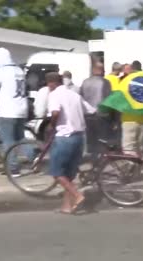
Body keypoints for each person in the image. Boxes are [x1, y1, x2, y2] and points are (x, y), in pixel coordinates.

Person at [46, 72, 96, 214]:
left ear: (51, 83)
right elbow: (91, 110)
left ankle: (78, 195)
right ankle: (66, 207)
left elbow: (55, 113)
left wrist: (51, 126)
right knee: (69, 175)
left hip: (64, 138)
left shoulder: (54, 95)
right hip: (79, 138)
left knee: (57, 173)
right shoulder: (75, 95)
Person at [0, 47, 29, 176]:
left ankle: (13, 168)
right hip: (21, 109)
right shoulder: (19, 70)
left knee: (7, 139)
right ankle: (34, 159)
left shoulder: (2, 71)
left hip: (7, 110)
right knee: (21, 138)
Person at [79, 62, 113, 161]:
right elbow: (109, 99)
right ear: (101, 70)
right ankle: (101, 157)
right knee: (102, 137)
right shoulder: (105, 82)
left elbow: (81, 97)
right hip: (101, 114)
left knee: (91, 137)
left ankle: (93, 157)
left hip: (88, 114)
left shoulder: (85, 82)